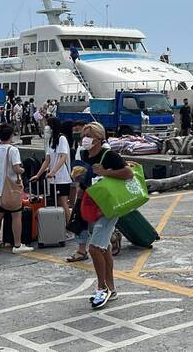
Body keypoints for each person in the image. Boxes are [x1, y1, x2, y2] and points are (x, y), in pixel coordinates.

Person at [80, 122, 134, 309]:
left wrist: (105, 172)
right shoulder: (86, 154)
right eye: (83, 135)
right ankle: (111, 287)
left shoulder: (108, 155)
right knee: (104, 248)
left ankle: (102, 287)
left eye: (87, 135)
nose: (84, 139)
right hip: (95, 205)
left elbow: (128, 173)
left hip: (109, 207)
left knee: (94, 248)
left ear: (97, 138)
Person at [0, 123, 33, 253]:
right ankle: (17, 245)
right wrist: (23, 170)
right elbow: (16, 168)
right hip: (11, 189)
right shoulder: (12, 150)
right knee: (16, 216)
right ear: (11, 135)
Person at [31, 117, 73, 222]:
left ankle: (68, 226)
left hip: (62, 177)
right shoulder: (51, 140)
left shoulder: (61, 138)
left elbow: (63, 157)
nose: (46, 127)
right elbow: (47, 160)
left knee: (63, 202)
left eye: (48, 125)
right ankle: (59, 226)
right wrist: (38, 174)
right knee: (56, 203)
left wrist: (53, 171)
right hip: (52, 178)